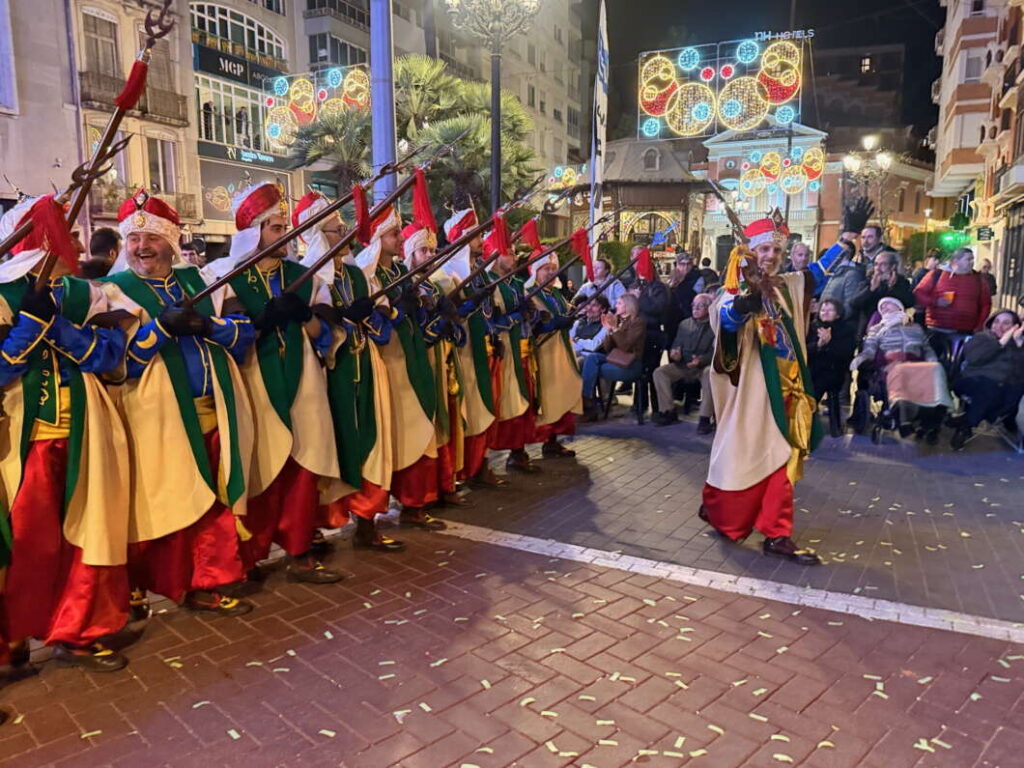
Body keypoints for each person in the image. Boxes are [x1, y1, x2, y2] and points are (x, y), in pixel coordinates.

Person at [103, 189, 260, 618]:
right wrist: (159, 329)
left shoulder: (202, 281)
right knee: (160, 502)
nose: (142, 247)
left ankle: (206, 581)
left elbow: (245, 333)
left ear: (170, 242)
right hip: (155, 418)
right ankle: (147, 584)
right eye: (134, 239)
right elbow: (119, 365)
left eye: (152, 238)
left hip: (215, 408)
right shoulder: (114, 292)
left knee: (212, 500)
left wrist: (208, 326)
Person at [700, 200, 874, 565]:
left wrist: (846, 238)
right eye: (764, 249)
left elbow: (817, 274)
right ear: (751, 252)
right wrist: (744, 305)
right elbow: (726, 319)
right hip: (755, 392)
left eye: (777, 250)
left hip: (789, 389)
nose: (771, 256)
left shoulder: (787, 285)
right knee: (744, 453)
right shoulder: (735, 289)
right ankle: (724, 511)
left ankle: (776, 532)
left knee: (782, 455)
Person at [0, 195, 132, 672]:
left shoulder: (87, 293)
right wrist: (26, 328)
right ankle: (14, 634)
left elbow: (110, 354)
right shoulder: (3, 294)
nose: (76, 245)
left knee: (87, 534)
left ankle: (78, 630)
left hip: (85, 429)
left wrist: (56, 329)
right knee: (26, 544)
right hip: (23, 438)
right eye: (67, 236)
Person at [205, 182, 345, 584]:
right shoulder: (224, 278)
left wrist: (304, 315)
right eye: (276, 228)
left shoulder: (305, 278)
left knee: (302, 468)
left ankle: (301, 552)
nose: (284, 236)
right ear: (254, 232)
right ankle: (249, 559)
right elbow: (221, 336)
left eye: (285, 227)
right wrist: (260, 321)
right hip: (253, 385)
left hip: (304, 385)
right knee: (258, 470)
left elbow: (325, 336)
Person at [293, 192, 404, 553]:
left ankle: (367, 522)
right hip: (328, 377)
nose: (345, 234)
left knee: (371, 442)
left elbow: (383, 320)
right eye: (335, 229)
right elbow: (309, 335)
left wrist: (374, 314)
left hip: (364, 368)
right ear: (316, 235)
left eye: (343, 228)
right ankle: (314, 528)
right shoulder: (307, 279)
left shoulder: (357, 275)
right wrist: (339, 320)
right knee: (327, 448)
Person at [355, 191, 445, 530]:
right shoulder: (366, 276)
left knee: (417, 431)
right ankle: (367, 522)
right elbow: (371, 326)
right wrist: (393, 313)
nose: (399, 238)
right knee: (383, 441)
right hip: (385, 367)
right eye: (394, 233)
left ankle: (414, 505)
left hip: (411, 362)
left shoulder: (396, 274)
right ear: (379, 237)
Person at [442, 207, 503, 489]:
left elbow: (490, 311)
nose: (482, 241)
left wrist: (494, 335)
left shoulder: (481, 273)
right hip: (463, 351)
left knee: (484, 407)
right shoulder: (450, 273)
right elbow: (453, 314)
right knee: (467, 411)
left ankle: (481, 464)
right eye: (476, 236)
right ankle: (463, 469)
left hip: (483, 347)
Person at [848, 297, 949, 442]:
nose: (885, 308)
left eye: (888, 305)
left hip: (916, 365)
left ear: (899, 308)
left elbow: (926, 348)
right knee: (900, 369)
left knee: (936, 368)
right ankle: (903, 419)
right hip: (891, 365)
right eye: (882, 307)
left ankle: (935, 417)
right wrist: (861, 359)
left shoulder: (915, 328)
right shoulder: (877, 329)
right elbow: (869, 349)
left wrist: (932, 361)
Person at [486, 217, 539, 473]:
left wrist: (532, 314)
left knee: (523, 399)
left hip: (522, 348)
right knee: (503, 401)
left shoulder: (516, 283)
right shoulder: (489, 283)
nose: (515, 257)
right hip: (503, 351)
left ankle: (519, 451)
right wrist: (515, 317)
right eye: (509, 253)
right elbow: (491, 321)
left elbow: (528, 316)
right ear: (496, 256)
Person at [527, 252, 582, 457]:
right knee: (547, 396)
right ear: (536, 271)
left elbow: (565, 312)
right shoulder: (531, 293)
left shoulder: (556, 294)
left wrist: (574, 312)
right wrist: (552, 323)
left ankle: (553, 441)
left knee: (561, 392)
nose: (550, 273)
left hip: (561, 350)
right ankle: (545, 439)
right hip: (544, 352)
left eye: (553, 268)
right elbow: (534, 322)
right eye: (546, 269)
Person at [950, 309, 1024, 450]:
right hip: (972, 382)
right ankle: (968, 423)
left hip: (1003, 389)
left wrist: (1019, 346)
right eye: (996, 321)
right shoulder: (981, 338)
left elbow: (1020, 372)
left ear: (1015, 327)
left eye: (1006, 323)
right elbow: (975, 358)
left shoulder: (1017, 345)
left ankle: (965, 422)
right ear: (990, 323)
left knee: (1015, 389)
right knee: (989, 387)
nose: (1000, 326)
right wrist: (1001, 342)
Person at [913, 247, 992, 358]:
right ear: (956, 261)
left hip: (966, 331)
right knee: (934, 361)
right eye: (968, 259)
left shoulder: (978, 279)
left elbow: (985, 304)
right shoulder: (937, 274)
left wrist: (979, 326)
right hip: (937, 330)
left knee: (960, 363)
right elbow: (918, 294)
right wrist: (936, 302)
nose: (972, 262)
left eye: (972, 259)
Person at [652, 293, 715, 431]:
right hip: (684, 364)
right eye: (693, 305)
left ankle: (704, 418)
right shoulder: (684, 324)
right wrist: (675, 353)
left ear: (709, 308)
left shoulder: (714, 326)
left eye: (700, 306)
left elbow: (715, 352)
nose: (695, 309)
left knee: (709, 374)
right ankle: (668, 411)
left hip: (702, 366)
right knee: (660, 372)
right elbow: (677, 344)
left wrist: (701, 360)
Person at [580, 293, 646, 420]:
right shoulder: (618, 320)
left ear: (628, 306)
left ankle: (589, 405)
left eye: (619, 303)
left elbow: (626, 346)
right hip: (614, 355)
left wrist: (615, 329)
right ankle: (587, 398)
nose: (616, 306)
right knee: (591, 358)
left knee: (592, 367)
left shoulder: (637, 323)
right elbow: (607, 348)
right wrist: (608, 331)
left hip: (630, 360)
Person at [806, 299, 856, 438]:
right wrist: (819, 345)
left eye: (830, 310)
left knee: (832, 388)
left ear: (838, 314)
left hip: (835, 369)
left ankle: (836, 427)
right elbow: (805, 349)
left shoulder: (846, 329)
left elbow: (846, 351)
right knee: (813, 390)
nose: (825, 313)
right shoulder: (812, 327)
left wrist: (828, 344)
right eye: (823, 310)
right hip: (815, 370)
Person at [849, 249, 914, 334]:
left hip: (893, 330)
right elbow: (854, 303)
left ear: (893, 266)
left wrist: (891, 287)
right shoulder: (867, 282)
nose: (878, 268)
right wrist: (871, 289)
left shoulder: (901, 282)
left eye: (883, 264)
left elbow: (909, 302)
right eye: (876, 264)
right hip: (868, 330)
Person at [819, 231, 867, 327]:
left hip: (837, 326)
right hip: (825, 323)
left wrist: (836, 322)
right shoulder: (835, 272)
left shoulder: (852, 275)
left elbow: (849, 305)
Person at [665, 251, 700, 335]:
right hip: (673, 316)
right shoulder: (672, 277)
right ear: (677, 265)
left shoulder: (696, 278)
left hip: (689, 315)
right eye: (682, 264)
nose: (685, 267)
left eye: (688, 264)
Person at [570, 294, 610, 361]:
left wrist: (577, 340)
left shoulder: (605, 326)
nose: (589, 308)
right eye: (588, 304)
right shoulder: (579, 321)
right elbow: (569, 339)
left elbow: (593, 346)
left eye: (594, 305)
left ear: (603, 309)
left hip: (589, 357)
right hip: (574, 351)